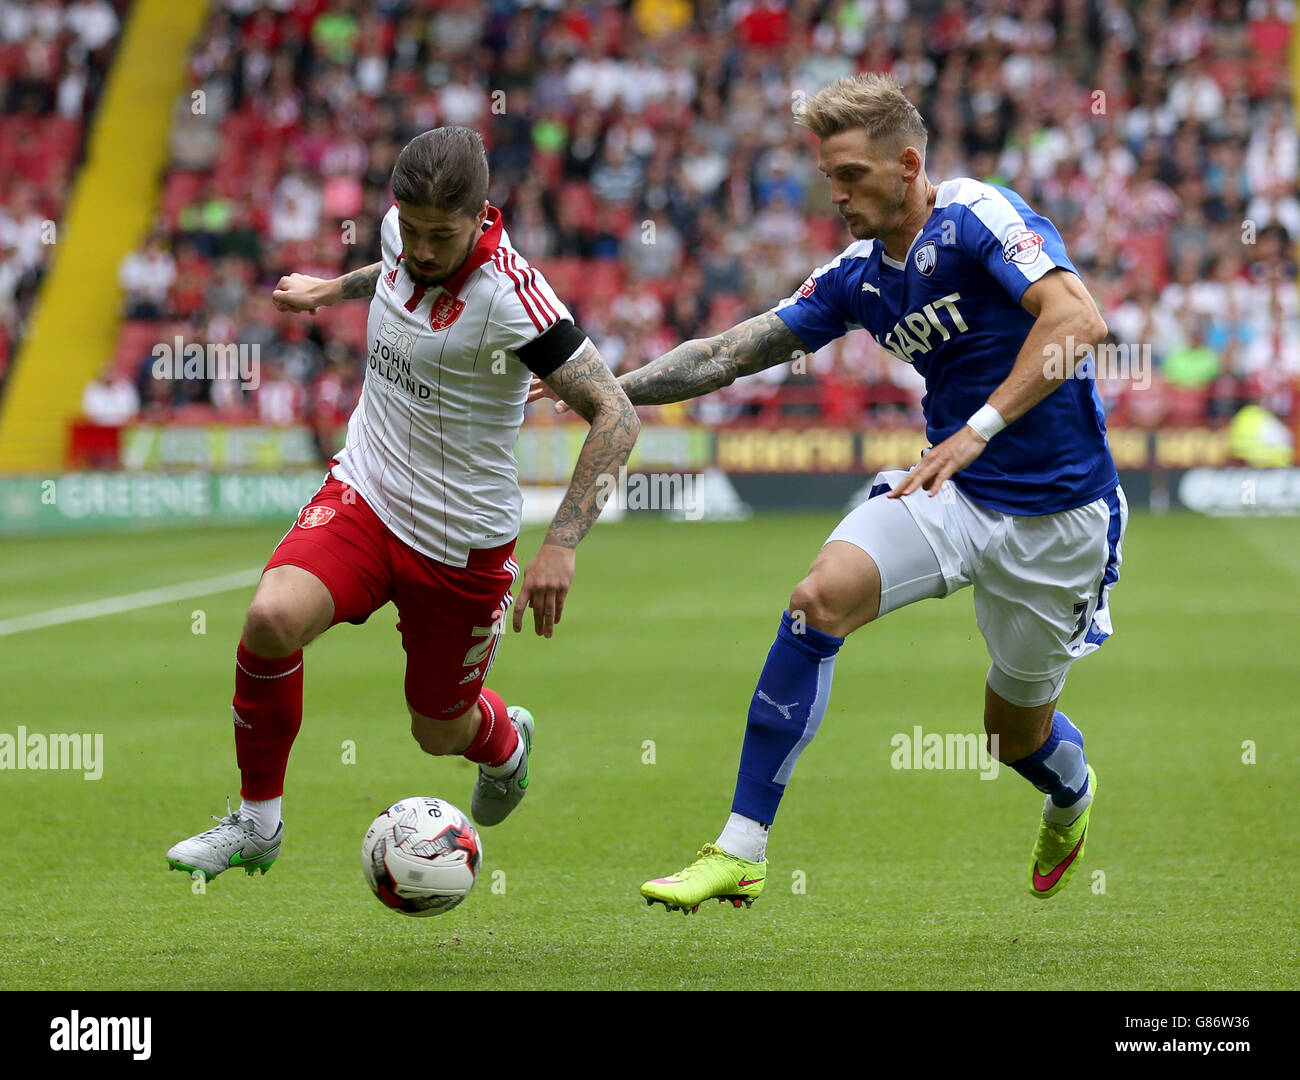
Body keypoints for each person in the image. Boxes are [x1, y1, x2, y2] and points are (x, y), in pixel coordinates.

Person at [534, 74, 1124, 910]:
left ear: (908, 163)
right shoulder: (856, 277)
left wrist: (976, 429)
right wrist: (603, 388)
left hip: (1058, 519)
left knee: (1013, 737)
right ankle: (742, 849)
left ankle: (1071, 793)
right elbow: (725, 354)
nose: (836, 194)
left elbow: (1079, 320)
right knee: (819, 598)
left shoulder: (977, 217)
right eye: (828, 177)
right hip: (948, 491)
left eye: (851, 175)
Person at [167, 126, 639, 881]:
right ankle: (257, 824)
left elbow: (617, 415)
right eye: (410, 230)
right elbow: (387, 266)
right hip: (365, 491)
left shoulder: (513, 298)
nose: (419, 250)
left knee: (438, 729)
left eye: (439, 236)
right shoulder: (397, 233)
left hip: (460, 545)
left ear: (481, 216)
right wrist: (329, 288)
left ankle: (503, 744)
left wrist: (561, 545)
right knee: (269, 620)